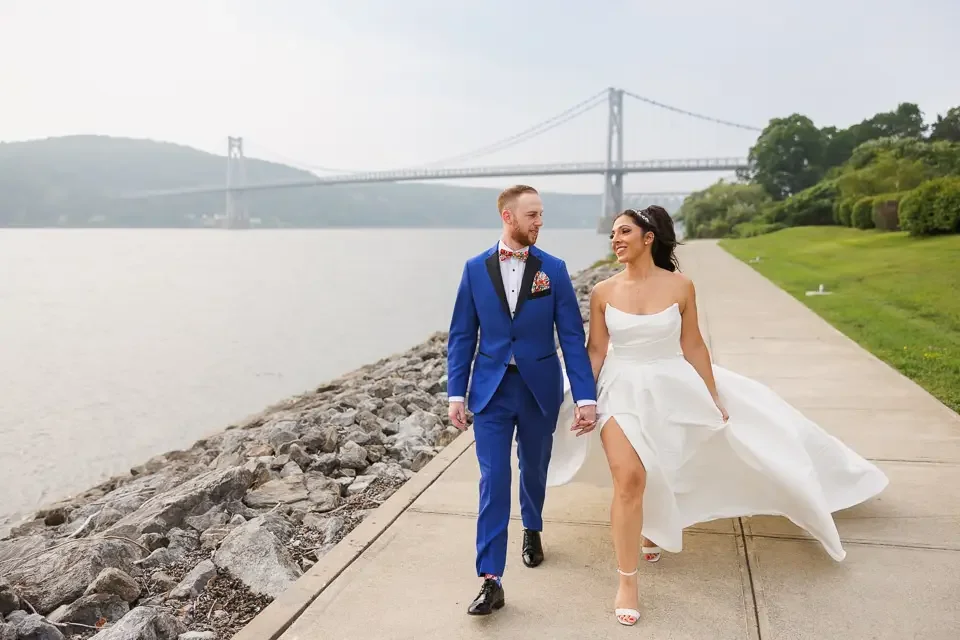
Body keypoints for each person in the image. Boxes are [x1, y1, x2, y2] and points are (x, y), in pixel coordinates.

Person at [545, 205, 889, 627]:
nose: (615, 239)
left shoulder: (681, 286)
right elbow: (596, 350)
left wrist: (711, 395)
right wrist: (585, 399)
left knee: (664, 465)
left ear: (647, 237)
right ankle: (628, 581)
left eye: (623, 232)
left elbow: (692, 345)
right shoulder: (603, 292)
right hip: (619, 388)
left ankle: (651, 526)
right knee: (630, 476)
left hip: (670, 387)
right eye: (612, 234)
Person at [447, 184, 598, 616]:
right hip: (492, 391)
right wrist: (456, 392)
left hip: (539, 389)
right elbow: (462, 335)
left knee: (533, 469)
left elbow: (572, 336)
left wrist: (585, 396)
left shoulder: (555, 269)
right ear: (508, 217)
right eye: (532, 215)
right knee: (493, 481)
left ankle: (532, 528)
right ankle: (491, 579)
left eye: (541, 214)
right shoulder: (475, 269)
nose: (540, 222)